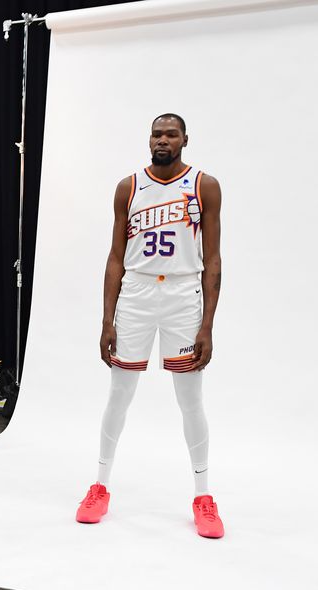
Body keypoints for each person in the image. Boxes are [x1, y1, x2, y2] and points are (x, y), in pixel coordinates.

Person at [75, 113, 225, 538]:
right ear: (149, 139)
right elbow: (115, 257)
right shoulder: (129, 186)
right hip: (137, 293)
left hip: (182, 294)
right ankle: (100, 486)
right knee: (119, 393)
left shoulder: (203, 185)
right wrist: (107, 318)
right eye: (157, 133)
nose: (162, 140)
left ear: (184, 140)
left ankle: (203, 496)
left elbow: (212, 259)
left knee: (190, 398)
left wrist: (207, 325)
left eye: (170, 134)